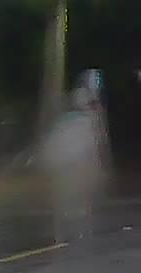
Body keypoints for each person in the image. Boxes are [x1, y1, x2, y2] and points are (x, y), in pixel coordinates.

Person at [41, 76, 109, 242]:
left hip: (64, 166)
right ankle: (78, 226)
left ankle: (68, 226)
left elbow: (53, 146)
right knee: (80, 197)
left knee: (70, 199)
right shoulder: (85, 122)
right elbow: (92, 147)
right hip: (74, 166)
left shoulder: (66, 121)